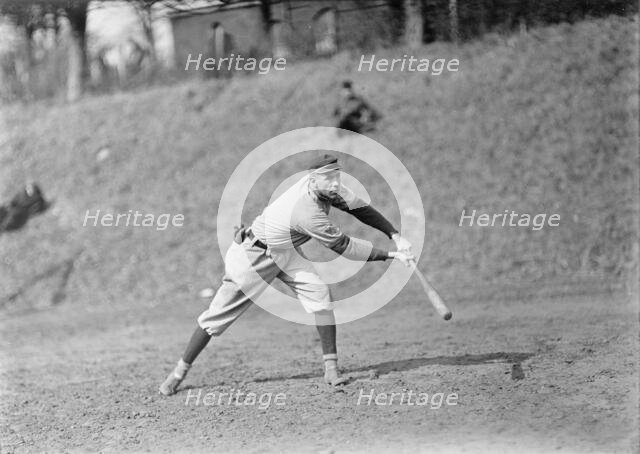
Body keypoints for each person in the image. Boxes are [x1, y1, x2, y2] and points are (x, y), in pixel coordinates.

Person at [159, 153, 413, 396]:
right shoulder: (307, 212)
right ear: (313, 180)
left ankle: (331, 369)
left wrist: (395, 236)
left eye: (338, 176)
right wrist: (392, 256)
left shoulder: (327, 187)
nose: (336, 182)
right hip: (253, 257)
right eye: (330, 178)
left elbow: (360, 209)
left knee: (319, 292)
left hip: (285, 252)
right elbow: (344, 247)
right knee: (216, 319)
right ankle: (178, 373)